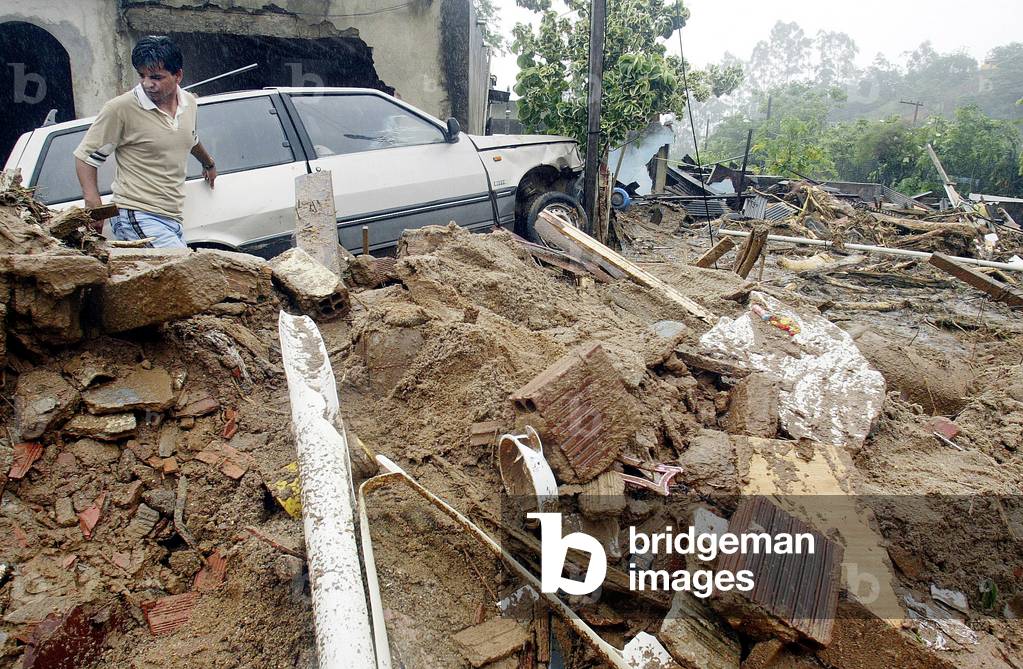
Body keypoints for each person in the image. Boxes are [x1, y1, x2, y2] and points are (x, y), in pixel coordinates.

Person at [74, 36, 216, 248]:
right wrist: (93, 204)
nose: (148, 84)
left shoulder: (189, 103)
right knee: (180, 274)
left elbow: (190, 138)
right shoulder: (120, 109)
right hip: (135, 213)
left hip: (172, 216)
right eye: (142, 76)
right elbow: (85, 157)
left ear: (178, 75)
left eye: (156, 77)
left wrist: (208, 163)